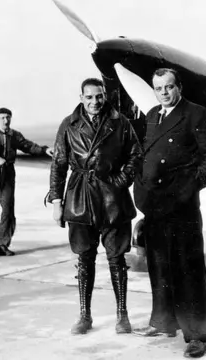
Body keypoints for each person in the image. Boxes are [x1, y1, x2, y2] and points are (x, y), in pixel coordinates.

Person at [132, 68, 206, 358]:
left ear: (179, 87)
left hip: (181, 205)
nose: (164, 92)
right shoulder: (151, 116)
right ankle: (163, 322)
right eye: (158, 87)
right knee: (159, 267)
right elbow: (143, 153)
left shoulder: (196, 114)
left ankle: (196, 335)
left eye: (169, 87)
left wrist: (192, 184)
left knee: (188, 271)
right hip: (155, 205)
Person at [48, 78, 142, 335]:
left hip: (113, 198)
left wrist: (122, 180)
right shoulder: (69, 124)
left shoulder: (120, 122)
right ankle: (84, 315)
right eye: (89, 97)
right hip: (80, 196)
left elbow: (136, 154)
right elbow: (58, 163)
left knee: (116, 258)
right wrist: (57, 201)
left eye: (99, 96)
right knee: (84, 258)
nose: (95, 102)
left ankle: (122, 315)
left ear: (104, 95)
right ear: (81, 97)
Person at [0, 107, 52, 258]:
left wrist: (44, 150)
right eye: (3, 117)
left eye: (8, 117)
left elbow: (28, 146)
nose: (6, 120)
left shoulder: (14, 135)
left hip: (8, 175)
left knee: (8, 210)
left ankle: (4, 244)